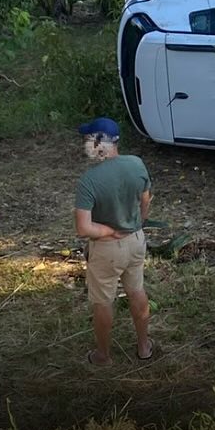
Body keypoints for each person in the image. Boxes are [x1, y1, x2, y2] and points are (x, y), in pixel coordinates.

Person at [74, 117, 153, 366]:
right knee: (136, 290)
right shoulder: (136, 164)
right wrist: (136, 223)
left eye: (88, 140)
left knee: (103, 301)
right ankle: (143, 347)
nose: (85, 145)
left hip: (107, 250)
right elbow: (146, 200)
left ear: (99, 143)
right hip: (136, 241)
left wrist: (109, 231)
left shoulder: (89, 180)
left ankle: (103, 356)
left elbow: (83, 227)